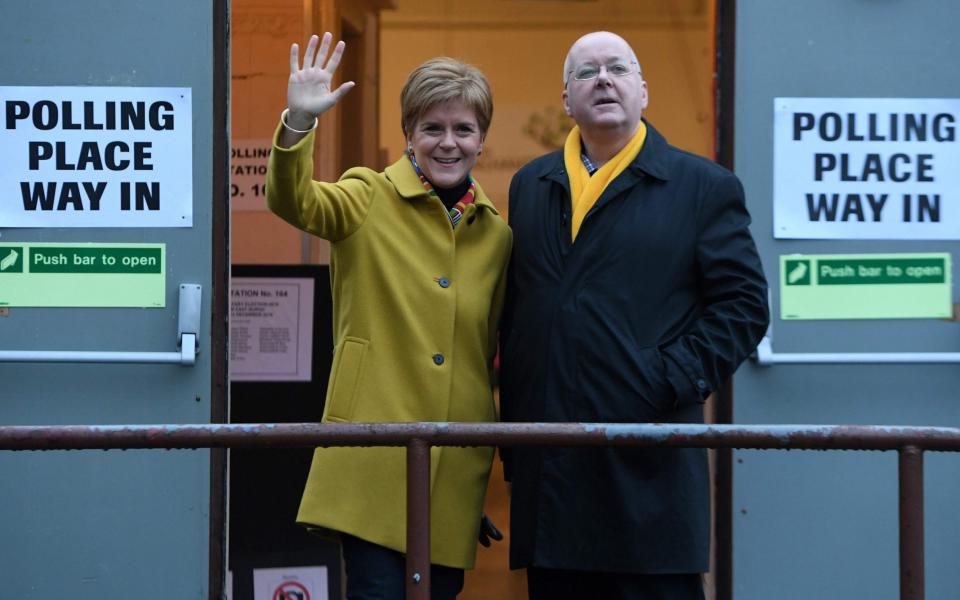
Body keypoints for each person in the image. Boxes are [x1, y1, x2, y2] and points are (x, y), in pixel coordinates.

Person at [498, 31, 769, 600]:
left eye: (618, 67)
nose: (603, 78)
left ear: (643, 90)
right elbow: (517, 308)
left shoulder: (702, 187)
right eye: (586, 71)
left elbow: (744, 307)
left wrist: (664, 378)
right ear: (566, 99)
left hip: (649, 469)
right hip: (550, 473)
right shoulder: (530, 186)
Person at [265, 33, 510, 600]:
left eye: (463, 129)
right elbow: (292, 200)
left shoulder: (497, 234)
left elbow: (485, 351)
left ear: (482, 140)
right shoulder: (365, 195)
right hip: (372, 458)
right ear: (409, 135)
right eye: (432, 128)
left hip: (453, 470)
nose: (448, 143)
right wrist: (298, 122)